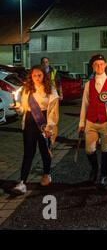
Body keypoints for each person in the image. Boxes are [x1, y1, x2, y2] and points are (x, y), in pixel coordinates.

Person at [78, 54, 107, 190]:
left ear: (105, 66)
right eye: (96, 64)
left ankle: (103, 175)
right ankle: (95, 168)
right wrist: (81, 123)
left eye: (101, 64)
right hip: (91, 121)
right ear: (93, 67)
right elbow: (84, 104)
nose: (99, 66)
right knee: (89, 149)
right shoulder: (88, 84)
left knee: (106, 149)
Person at [11, 65, 59, 195]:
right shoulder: (27, 89)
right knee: (28, 152)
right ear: (31, 77)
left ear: (44, 76)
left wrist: (50, 126)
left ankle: (47, 174)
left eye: (39, 75)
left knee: (45, 151)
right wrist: (18, 108)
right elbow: (24, 108)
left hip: (44, 122)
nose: (37, 78)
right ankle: (22, 182)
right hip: (29, 122)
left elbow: (53, 112)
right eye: (34, 75)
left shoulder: (51, 90)